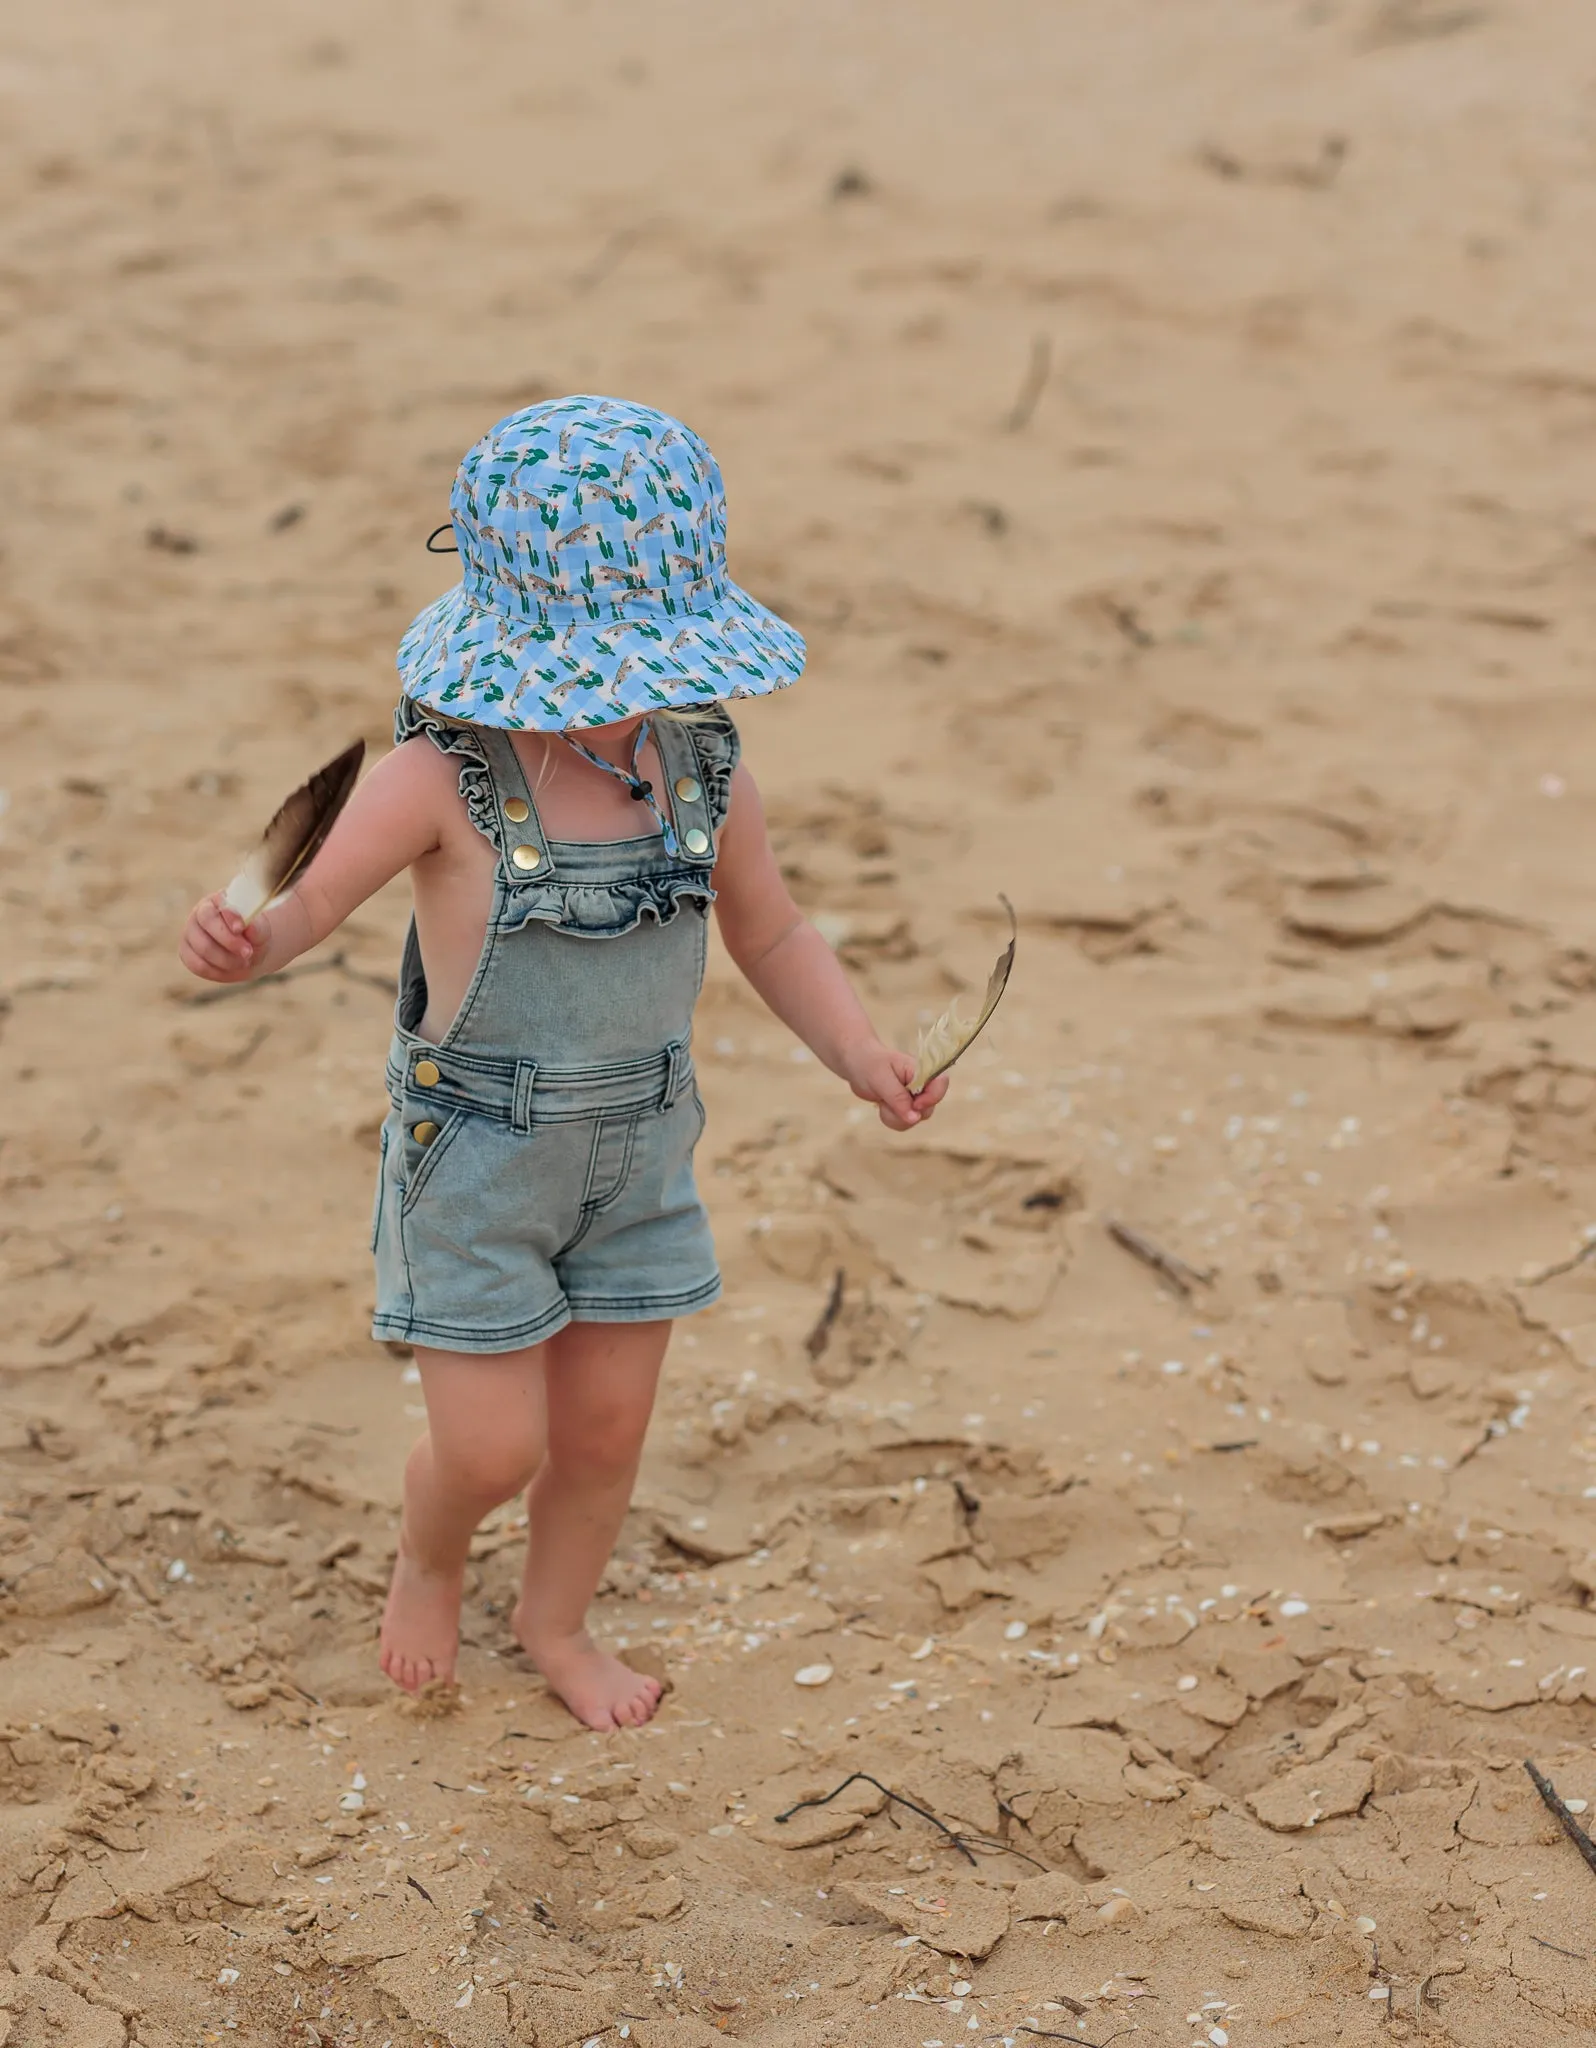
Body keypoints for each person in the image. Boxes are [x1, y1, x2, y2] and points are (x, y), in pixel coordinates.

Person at [179, 395, 950, 1730]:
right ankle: (432, 1552)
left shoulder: (705, 767)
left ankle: (555, 1621)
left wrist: (859, 1050)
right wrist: (253, 942)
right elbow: (308, 904)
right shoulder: (439, 778)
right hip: (478, 1160)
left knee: (599, 1438)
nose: (625, 688)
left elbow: (770, 933)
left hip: (638, 1156)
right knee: (492, 1445)